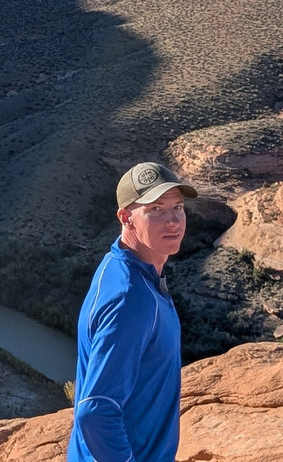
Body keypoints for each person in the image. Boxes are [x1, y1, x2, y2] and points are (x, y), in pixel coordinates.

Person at [67, 161, 198, 462]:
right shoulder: (132, 299)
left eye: (178, 207)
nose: (174, 221)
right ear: (126, 217)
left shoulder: (122, 267)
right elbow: (96, 410)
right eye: (155, 210)